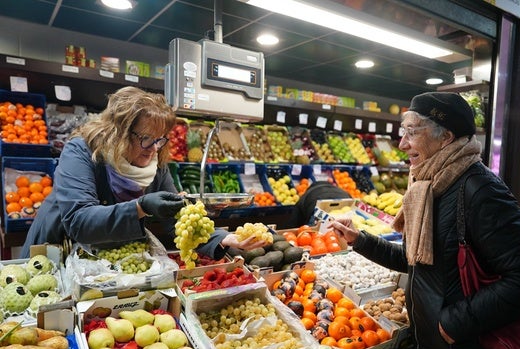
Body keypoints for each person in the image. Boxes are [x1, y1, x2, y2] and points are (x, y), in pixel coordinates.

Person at [328, 92, 520, 349]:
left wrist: (452, 324)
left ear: (445, 137)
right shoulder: (431, 184)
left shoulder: (480, 191)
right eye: (402, 131)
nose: (402, 144)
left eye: (412, 132)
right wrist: (361, 241)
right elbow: (417, 261)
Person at [21, 86, 263, 259]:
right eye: (146, 139)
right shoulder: (83, 151)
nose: (155, 148)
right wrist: (141, 206)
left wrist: (221, 238)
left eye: (160, 140)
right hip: (56, 252)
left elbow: (177, 219)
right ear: (120, 132)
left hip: (104, 260)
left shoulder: (155, 160)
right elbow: (79, 221)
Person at [281, 180, 351, 229]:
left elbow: (293, 222)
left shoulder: (307, 194)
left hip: (319, 213)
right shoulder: (341, 190)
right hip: (345, 210)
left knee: (315, 238)